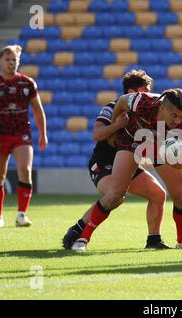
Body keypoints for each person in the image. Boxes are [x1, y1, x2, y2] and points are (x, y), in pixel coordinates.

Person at [70, 88, 182, 251]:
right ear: (162, 107)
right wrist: (114, 128)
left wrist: (173, 160)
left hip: (160, 148)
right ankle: (83, 238)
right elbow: (121, 102)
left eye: (180, 116)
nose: (177, 120)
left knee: (180, 196)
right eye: (173, 115)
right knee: (115, 194)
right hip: (132, 141)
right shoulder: (143, 102)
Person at [62, 69, 170, 250]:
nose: (151, 95)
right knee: (116, 195)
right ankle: (79, 232)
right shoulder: (112, 108)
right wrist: (117, 125)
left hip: (128, 164)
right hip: (104, 163)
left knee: (158, 194)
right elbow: (97, 134)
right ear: (132, 93)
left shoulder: (147, 114)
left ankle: (153, 241)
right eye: (147, 90)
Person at [0, 44, 48, 227]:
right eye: (7, 59)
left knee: (25, 170)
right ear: (0, 61)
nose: (11, 63)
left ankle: (21, 215)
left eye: (14, 59)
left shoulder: (28, 83)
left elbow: (38, 110)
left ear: (19, 61)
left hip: (21, 134)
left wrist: (43, 134)